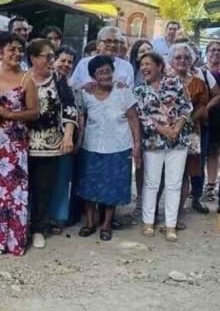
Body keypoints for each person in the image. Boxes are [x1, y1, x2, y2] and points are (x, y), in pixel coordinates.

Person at [0, 32, 39, 256]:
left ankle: (9, 241)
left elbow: (35, 112)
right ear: (0, 52)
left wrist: (9, 114)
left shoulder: (27, 79)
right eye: (11, 49)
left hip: (13, 146)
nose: (16, 54)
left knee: (10, 191)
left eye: (19, 50)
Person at [74, 56, 141, 241]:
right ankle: (89, 222)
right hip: (91, 146)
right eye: (100, 72)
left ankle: (106, 224)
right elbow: (81, 118)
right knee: (89, 186)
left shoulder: (123, 91)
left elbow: (133, 118)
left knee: (112, 187)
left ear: (113, 72)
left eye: (108, 71)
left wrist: (137, 145)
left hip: (118, 147)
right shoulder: (85, 93)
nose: (105, 75)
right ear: (93, 75)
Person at [134, 51, 193, 242]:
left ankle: (170, 225)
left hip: (178, 141)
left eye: (148, 64)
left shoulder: (175, 83)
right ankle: (148, 221)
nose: (144, 68)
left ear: (159, 66)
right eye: (141, 65)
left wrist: (177, 127)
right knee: (151, 183)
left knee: (174, 184)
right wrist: (163, 129)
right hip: (153, 142)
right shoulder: (140, 90)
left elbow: (187, 107)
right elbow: (142, 116)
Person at [26, 39, 77, 248]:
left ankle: (39, 228)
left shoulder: (58, 79)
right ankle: (21, 227)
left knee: (43, 187)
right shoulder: (22, 77)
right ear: (33, 58)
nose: (51, 61)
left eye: (52, 57)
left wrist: (68, 135)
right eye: (47, 56)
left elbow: (69, 108)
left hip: (50, 144)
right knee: (22, 187)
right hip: (23, 143)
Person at [167, 43, 219, 217]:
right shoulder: (164, 78)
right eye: (178, 57)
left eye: (187, 57)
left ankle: (195, 198)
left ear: (192, 60)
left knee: (195, 164)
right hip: (167, 131)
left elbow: (208, 100)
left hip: (195, 130)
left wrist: (193, 117)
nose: (183, 60)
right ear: (171, 60)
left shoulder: (200, 78)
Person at [50, 45, 82, 228]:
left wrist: (73, 137)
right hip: (45, 138)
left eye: (70, 62)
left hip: (66, 139)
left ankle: (58, 217)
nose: (66, 65)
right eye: (62, 60)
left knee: (62, 180)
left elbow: (77, 113)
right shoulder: (43, 81)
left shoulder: (73, 87)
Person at [202, 40, 220, 206]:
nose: (216, 53)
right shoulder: (201, 71)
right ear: (206, 53)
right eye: (212, 50)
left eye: (219, 50)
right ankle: (209, 186)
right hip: (207, 117)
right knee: (211, 151)